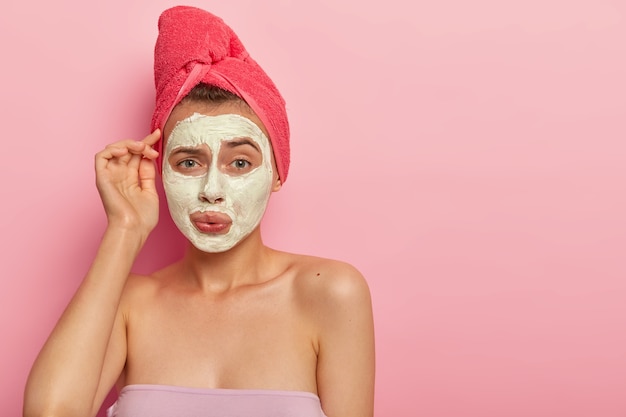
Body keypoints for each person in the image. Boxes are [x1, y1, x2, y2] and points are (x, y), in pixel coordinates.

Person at [23, 6, 374, 417]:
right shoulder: (130, 303)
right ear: (161, 170)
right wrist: (125, 227)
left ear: (278, 172)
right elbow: (49, 412)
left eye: (239, 163)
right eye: (188, 162)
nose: (211, 191)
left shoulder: (329, 292)